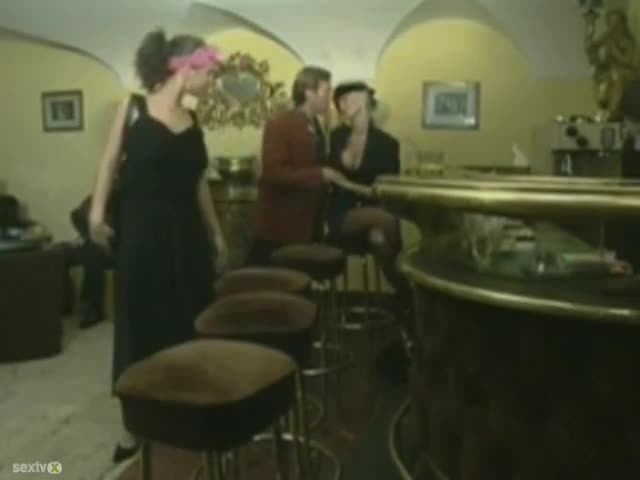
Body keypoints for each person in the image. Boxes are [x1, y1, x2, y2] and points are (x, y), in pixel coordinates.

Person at [88, 29, 228, 462]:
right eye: (209, 71)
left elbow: (197, 183)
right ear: (185, 68)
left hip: (187, 235)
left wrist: (216, 233)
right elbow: (109, 163)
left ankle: (183, 410)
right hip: (142, 234)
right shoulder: (132, 107)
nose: (212, 80)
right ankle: (133, 427)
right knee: (139, 325)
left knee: (188, 319)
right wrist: (96, 214)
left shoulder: (193, 119)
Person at [247, 66, 347, 265]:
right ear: (309, 92)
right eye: (326, 91)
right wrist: (319, 174)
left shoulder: (315, 124)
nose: (330, 98)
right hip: (280, 227)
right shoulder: (281, 124)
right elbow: (274, 173)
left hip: (306, 224)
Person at [327, 82, 410, 317]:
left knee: (379, 238)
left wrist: (346, 184)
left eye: (347, 98)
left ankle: (407, 298)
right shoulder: (335, 137)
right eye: (339, 101)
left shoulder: (387, 143)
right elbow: (327, 179)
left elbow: (386, 191)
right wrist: (351, 187)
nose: (342, 105)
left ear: (364, 99)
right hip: (340, 215)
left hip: (373, 216)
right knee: (386, 219)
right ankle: (415, 296)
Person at [70, 196, 111, 328]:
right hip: (97, 245)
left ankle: (92, 309)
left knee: (93, 257)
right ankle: (65, 304)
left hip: (117, 248)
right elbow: (76, 214)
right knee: (60, 253)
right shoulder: (99, 197)